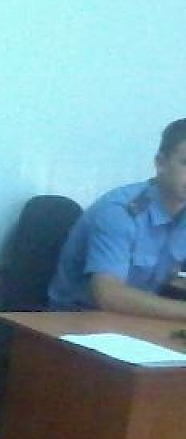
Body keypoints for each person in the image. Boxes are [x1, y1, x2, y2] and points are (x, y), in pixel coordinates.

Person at [48, 118, 186, 319]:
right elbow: (109, 295)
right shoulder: (120, 212)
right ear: (161, 163)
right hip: (74, 320)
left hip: (136, 319)